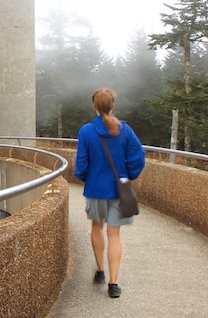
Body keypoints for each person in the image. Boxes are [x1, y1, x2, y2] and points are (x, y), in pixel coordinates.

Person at [74, 87, 146, 299]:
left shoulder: (86, 131)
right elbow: (138, 157)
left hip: (96, 189)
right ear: (113, 105)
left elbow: (82, 164)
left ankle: (100, 271)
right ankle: (113, 284)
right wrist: (128, 175)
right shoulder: (125, 130)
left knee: (96, 227)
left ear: (94, 106)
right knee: (114, 235)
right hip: (118, 190)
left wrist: (85, 177)